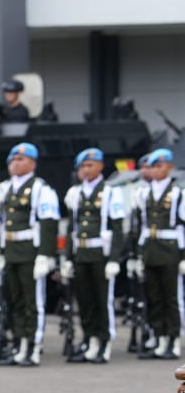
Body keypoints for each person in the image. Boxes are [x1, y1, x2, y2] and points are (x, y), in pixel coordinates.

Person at [0, 142, 61, 366]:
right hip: (10, 250)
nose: (15, 164)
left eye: (21, 159)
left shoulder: (41, 190)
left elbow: (48, 223)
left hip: (30, 251)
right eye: (13, 160)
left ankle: (33, 345)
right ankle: (19, 342)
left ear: (32, 163)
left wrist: (45, 255)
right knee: (14, 301)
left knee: (33, 302)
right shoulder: (4, 189)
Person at [62, 149, 128, 363]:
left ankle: (105, 341)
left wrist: (114, 260)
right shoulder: (75, 193)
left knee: (103, 300)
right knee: (85, 301)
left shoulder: (110, 192)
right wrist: (68, 259)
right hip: (81, 253)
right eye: (82, 166)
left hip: (101, 254)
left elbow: (117, 229)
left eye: (90, 165)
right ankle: (90, 339)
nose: (85, 170)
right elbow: (72, 228)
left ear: (100, 166)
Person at [135, 149, 184, 359]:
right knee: (153, 297)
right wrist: (138, 255)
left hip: (170, 249)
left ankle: (173, 339)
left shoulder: (178, 193)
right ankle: (159, 337)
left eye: (159, 166)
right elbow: (141, 227)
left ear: (169, 167)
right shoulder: (144, 193)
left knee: (171, 298)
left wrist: (183, 256)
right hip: (150, 249)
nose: (155, 170)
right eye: (152, 166)